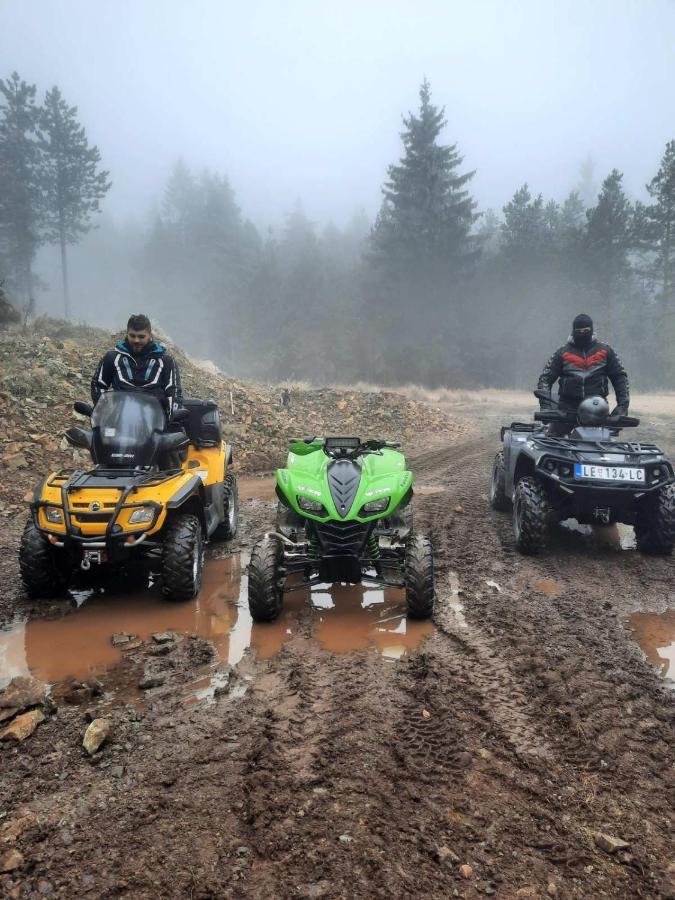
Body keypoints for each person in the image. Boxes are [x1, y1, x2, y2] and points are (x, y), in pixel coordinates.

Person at [537, 314, 630, 430]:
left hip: (598, 409)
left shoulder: (605, 351)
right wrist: (545, 406)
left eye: (586, 330)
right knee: (552, 439)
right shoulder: (562, 353)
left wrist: (622, 406)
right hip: (567, 410)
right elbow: (545, 378)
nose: (583, 333)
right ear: (573, 331)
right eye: (579, 331)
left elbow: (620, 378)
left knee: (606, 443)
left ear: (591, 330)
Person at [91, 314, 183, 417]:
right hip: (119, 421)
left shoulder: (166, 360)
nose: (136, 340)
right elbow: (98, 384)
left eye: (141, 336)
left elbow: (174, 392)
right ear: (127, 334)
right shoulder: (112, 357)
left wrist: (174, 417)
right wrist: (104, 410)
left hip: (156, 423)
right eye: (132, 336)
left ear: (150, 335)